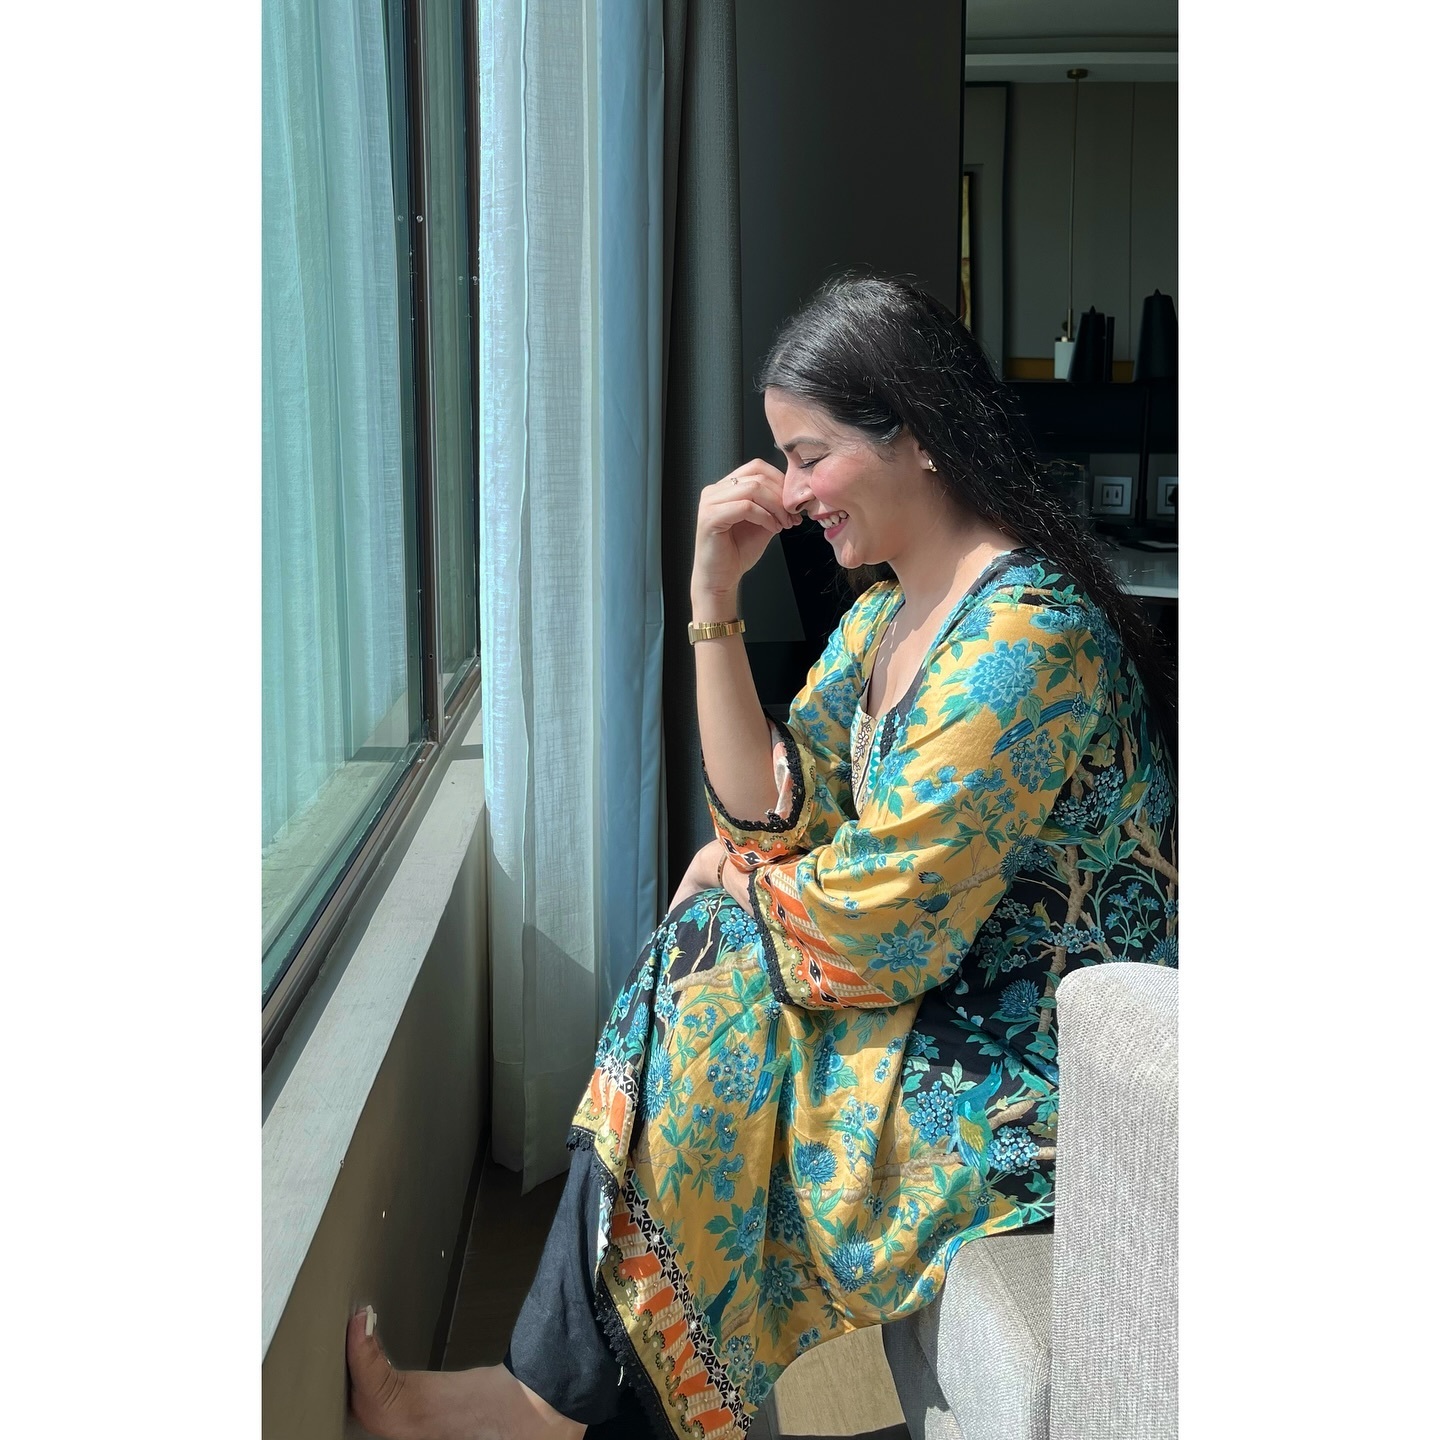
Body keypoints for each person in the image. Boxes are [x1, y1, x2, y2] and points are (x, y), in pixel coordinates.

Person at [346, 273, 1179, 1440]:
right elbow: (770, 820)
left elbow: (879, 925)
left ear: (918, 435)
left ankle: (544, 1405)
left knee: (712, 968)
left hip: (1026, 1065)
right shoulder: (888, 617)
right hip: (936, 1001)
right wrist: (712, 597)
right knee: (705, 965)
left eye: (810, 456)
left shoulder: (1027, 637)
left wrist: (735, 882)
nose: (790, 492)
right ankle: (554, 1403)